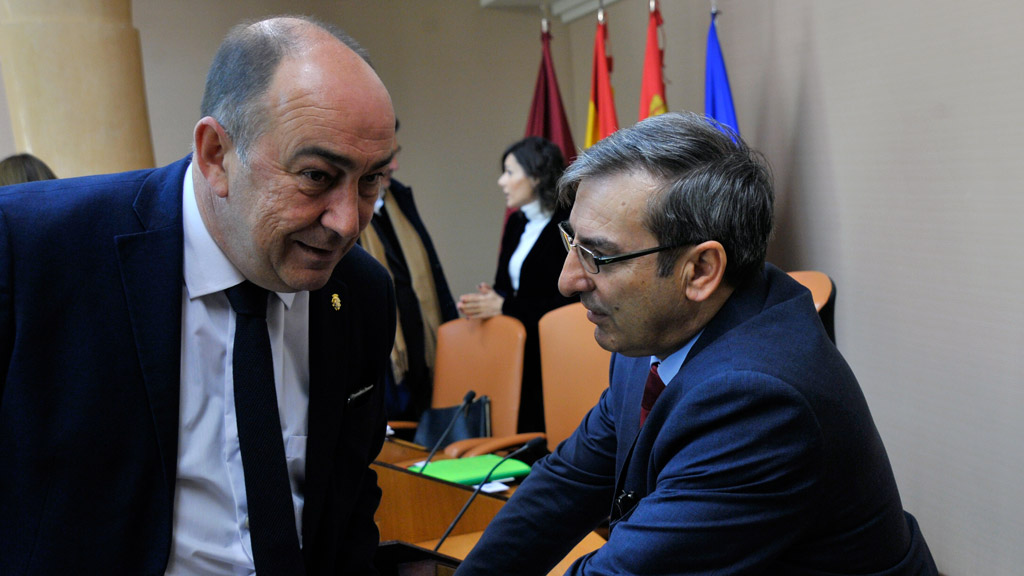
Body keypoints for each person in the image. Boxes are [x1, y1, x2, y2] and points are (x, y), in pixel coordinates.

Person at [455, 112, 938, 575]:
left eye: (599, 255)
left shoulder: (758, 402)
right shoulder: (654, 334)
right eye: (571, 243)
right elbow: (566, 485)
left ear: (702, 271)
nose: (567, 281)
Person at [0, 16, 397, 575]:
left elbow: (348, 502)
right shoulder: (34, 251)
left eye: (372, 180)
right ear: (215, 154)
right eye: (315, 176)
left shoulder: (361, 292)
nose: (348, 220)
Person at [458, 136, 576, 433]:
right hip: (518, 349)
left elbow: (572, 302)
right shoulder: (516, 223)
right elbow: (506, 288)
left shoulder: (569, 224)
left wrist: (506, 305)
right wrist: (488, 300)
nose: (501, 181)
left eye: (509, 172)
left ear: (535, 176)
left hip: (555, 352)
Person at [360, 119, 458, 421]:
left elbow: (433, 275)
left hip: (422, 348)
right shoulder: (349, 213)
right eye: (388, 158)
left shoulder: (399, 199)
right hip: (383, 360)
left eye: (395, 153)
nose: (396, 165)